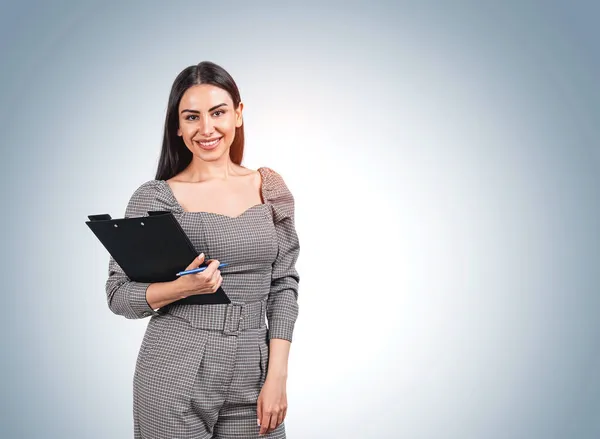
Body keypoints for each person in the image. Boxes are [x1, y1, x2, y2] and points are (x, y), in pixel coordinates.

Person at [105, 61, 300, 439]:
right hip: (175, 367)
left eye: (218, 112)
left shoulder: (269, 187)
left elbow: (284, 284)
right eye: (192, 117)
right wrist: (183, 288)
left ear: (238, 114)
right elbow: (117, 296)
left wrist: (277, 375)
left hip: (254, 366)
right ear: (177, 127)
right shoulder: (155, 198)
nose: (206, 129)